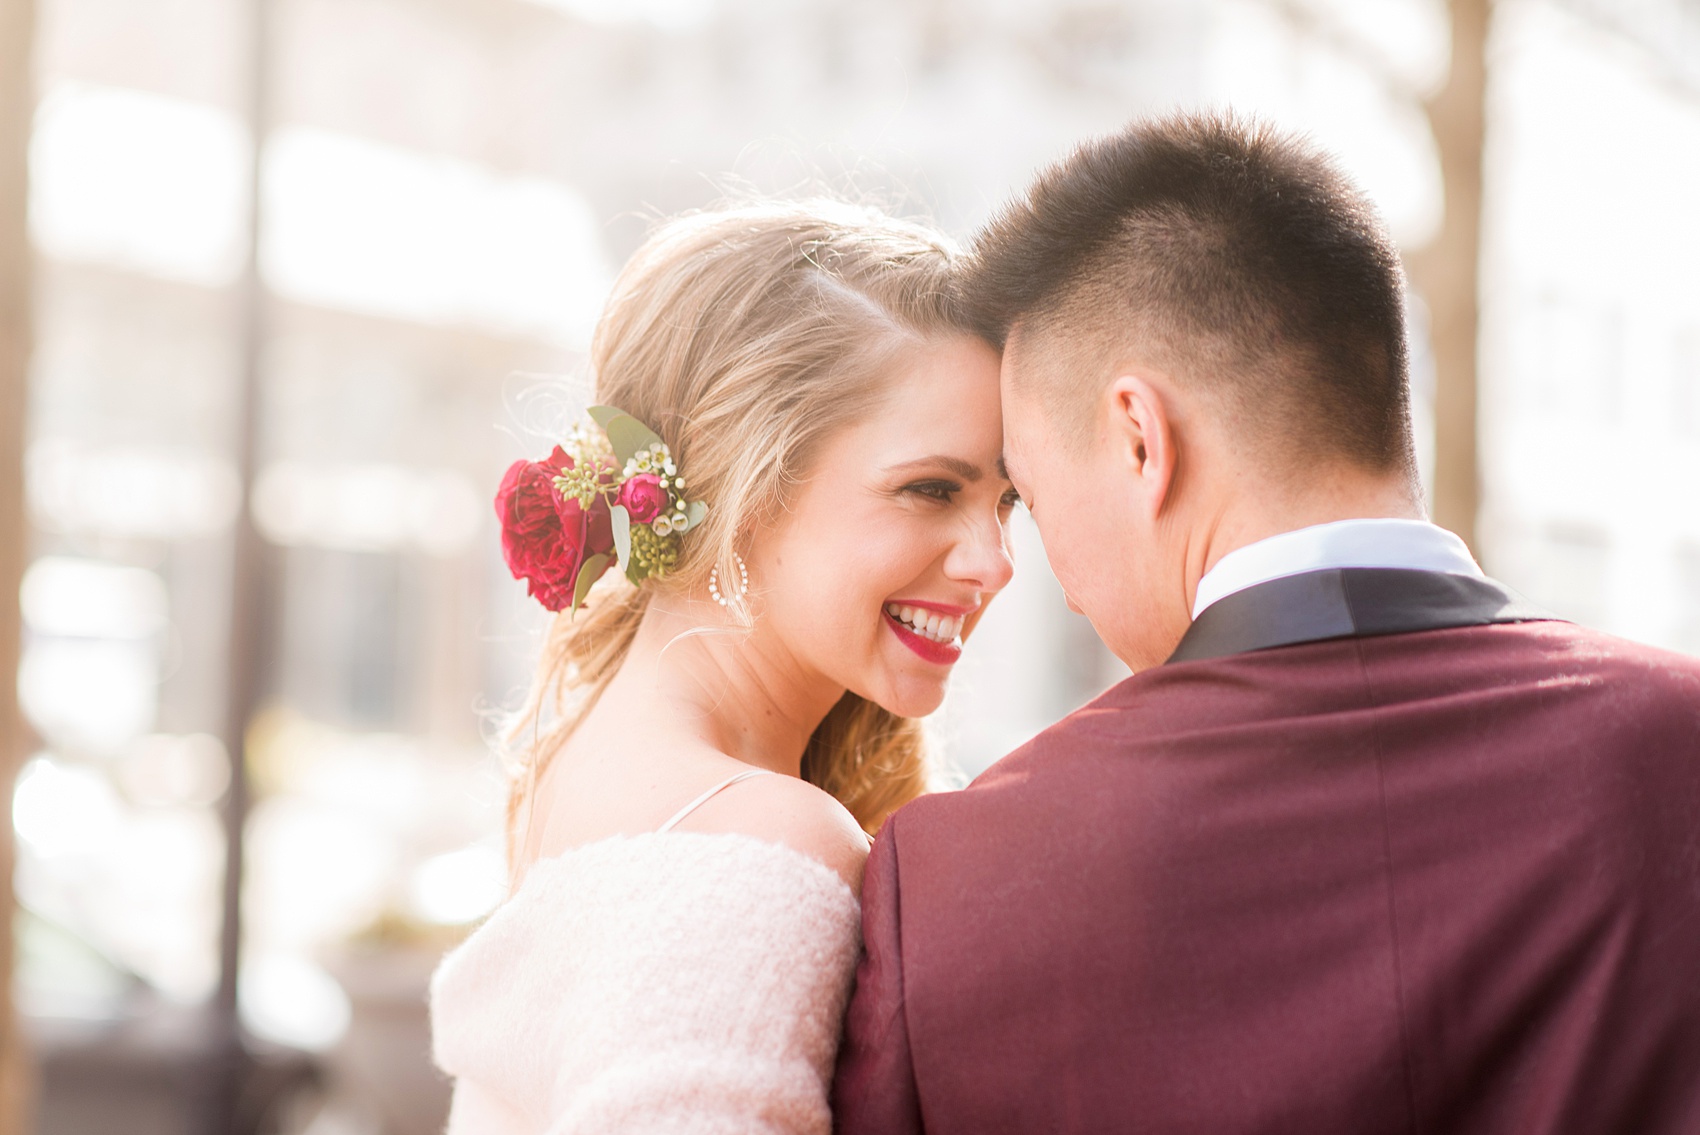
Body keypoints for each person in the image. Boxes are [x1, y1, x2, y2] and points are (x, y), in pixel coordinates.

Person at [834, 112, 1700, 1133]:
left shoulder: (949, 884)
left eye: (1027, 488)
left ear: (1136, 437)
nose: (1049, 578)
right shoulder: (1676, 750)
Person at [430, 201, 1017, 1134]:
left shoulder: (578, 771)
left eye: (1007, 500)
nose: (994, 561)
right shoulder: (761, 835)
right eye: (930, 489)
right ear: (742, 480)